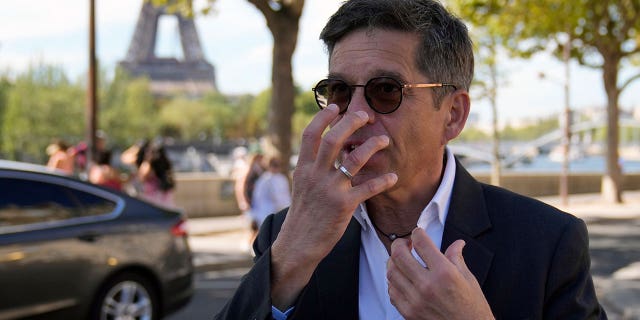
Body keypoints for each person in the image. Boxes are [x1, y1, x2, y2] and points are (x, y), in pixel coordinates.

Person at [216, 0, 606, 319]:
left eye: (385, 91)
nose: (355, 115)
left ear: (452, 114)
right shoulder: (284, 234)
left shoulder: (548, 243)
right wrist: (288, 261)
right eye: (338, 91)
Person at [249, 156, 291, 229]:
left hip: (280, 213)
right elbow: (258, 197)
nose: (276, 168)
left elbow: (285, 196)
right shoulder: (264, 179)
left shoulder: (282, 179)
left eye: (277, 165)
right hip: (266, 213)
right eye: (274, 165)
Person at [138, 140, 176, 207]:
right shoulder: (165, 167)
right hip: (166, 205)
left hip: (152, 205)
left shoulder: (147, 166)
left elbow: (141, 178)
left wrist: (147, 160)